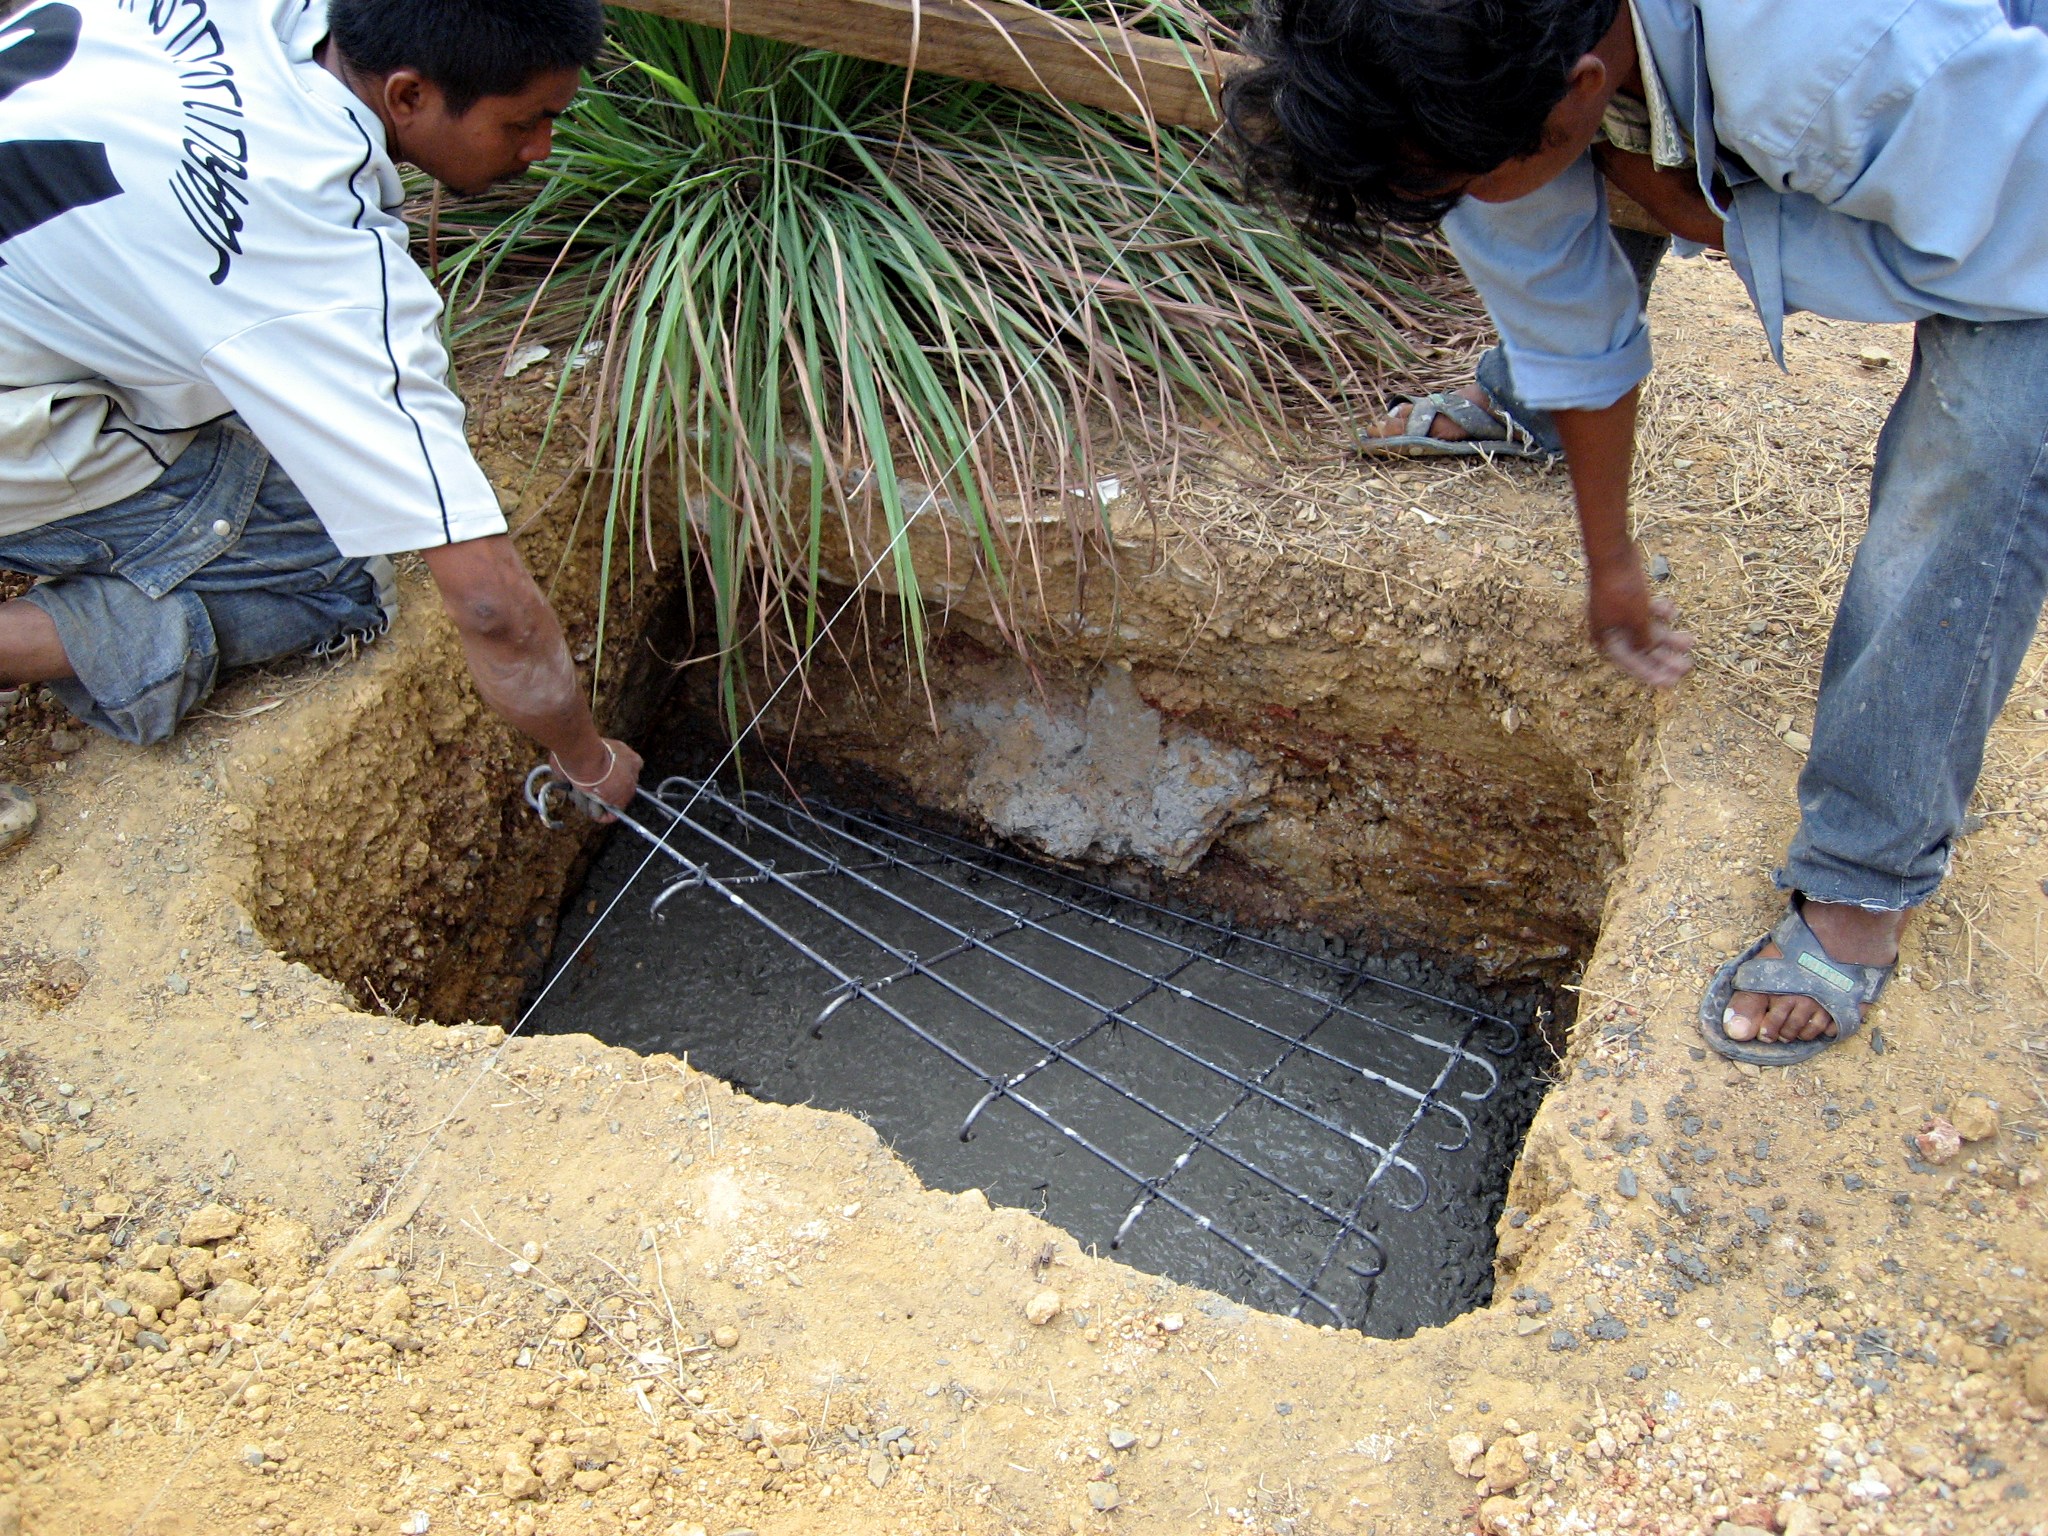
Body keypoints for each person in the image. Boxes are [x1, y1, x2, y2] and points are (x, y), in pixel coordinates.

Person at [1226, 0, 2048, 1064]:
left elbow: (2020, 240)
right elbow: (1552, 283)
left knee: (1981, 442)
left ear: (1575, 88)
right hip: (1649, 95)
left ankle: (1865, 875)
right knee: (1565, 181)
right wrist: (1605, 556)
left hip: (2017, 173)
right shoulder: (1462, 49)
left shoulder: (1842, 67)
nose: (1459, 206)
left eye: (1452, 184)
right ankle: (1525, 397)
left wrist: (1730, 223)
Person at [0, 0, 643, 856]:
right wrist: (585, 757)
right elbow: (489, 604)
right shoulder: (315, 261)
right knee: (336, 573)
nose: (541, 150)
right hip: (23, 428)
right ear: (408, 95)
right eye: (525, 123)